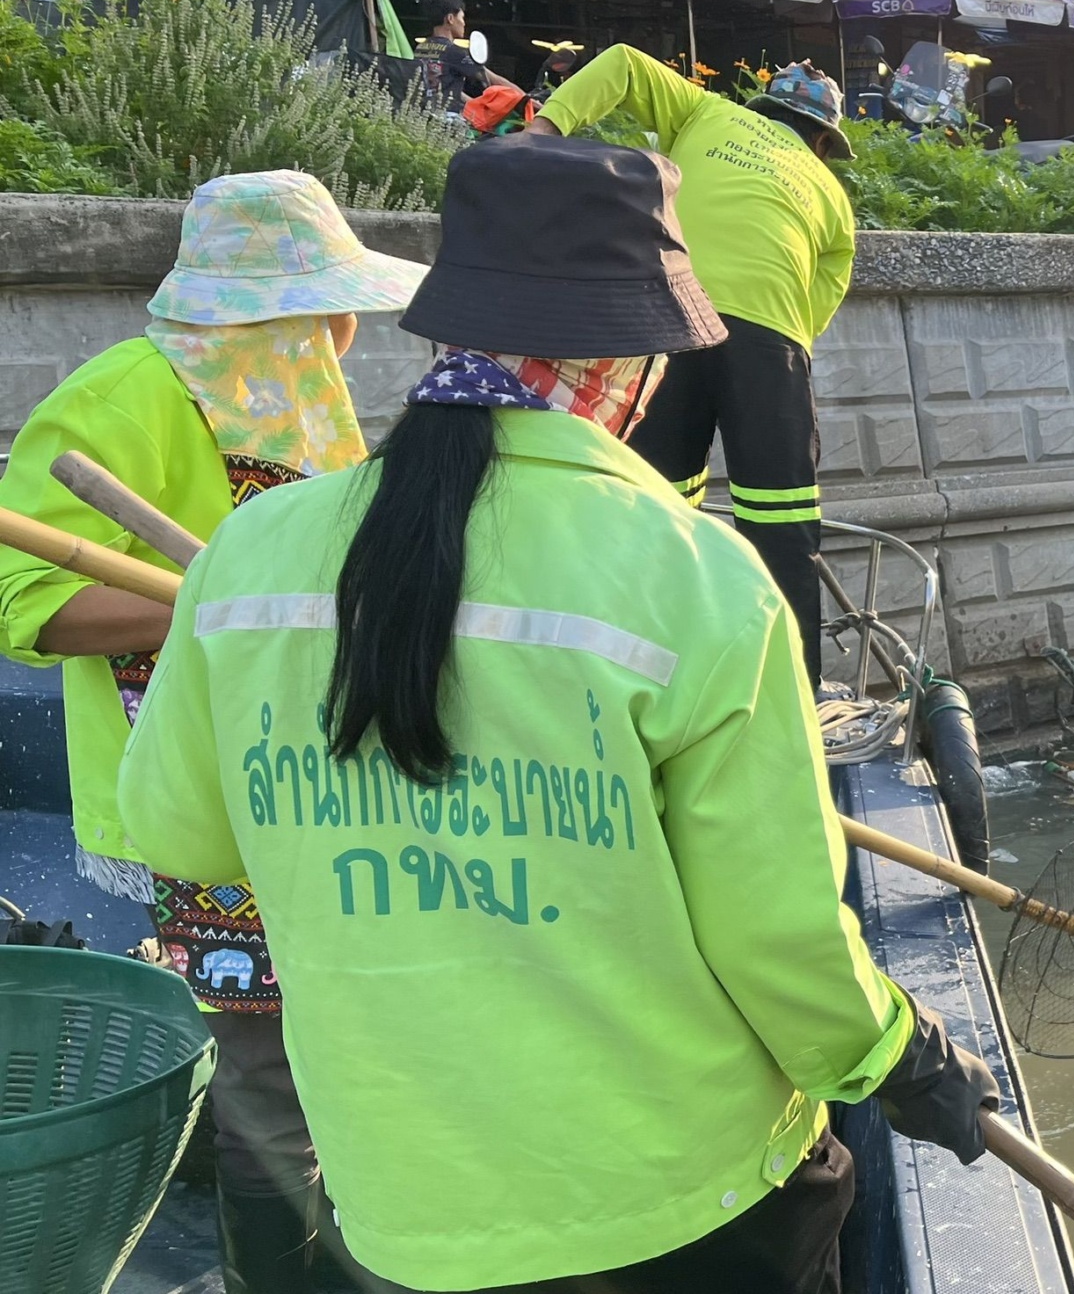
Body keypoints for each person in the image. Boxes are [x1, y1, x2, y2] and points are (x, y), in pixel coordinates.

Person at [120, 134, 997, 1294]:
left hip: (401, 1208)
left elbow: (178, 831)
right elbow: (776, 940)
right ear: (636, 368)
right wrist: (899, 1052)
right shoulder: (697, 577)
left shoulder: (251, 557)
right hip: (687, 1201)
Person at [0, 170, 427, 1293]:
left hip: (327, 774)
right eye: (328, 306)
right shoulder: (122, 397)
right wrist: (223, 598)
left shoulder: (301, 391)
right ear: (271, 309)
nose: (344, 333)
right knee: (262, 1066)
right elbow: (24, 601)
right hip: (199, 790)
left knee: (354, 1037)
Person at [528, 44, 854, 683]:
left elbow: (624, 63)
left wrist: (547, 128)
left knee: (658, 505)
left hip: (672, 318)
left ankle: (644, 676)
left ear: (761, 108)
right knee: (782, 525)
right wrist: (782, 350)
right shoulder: (831, 195)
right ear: (822, 141)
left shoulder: (708, 112)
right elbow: (823, 290)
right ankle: (795, 690)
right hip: (769, 344)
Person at [415, 0, 494, 112]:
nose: (464, 23)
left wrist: (478, 108)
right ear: (450, 19)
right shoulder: (454, 52)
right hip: (447, 116)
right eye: (462, 18)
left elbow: (448, 91)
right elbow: (492, 79)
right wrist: (524, 99)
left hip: (423, 113)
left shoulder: (420, 48)